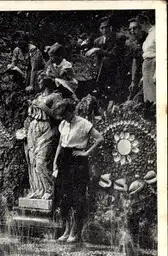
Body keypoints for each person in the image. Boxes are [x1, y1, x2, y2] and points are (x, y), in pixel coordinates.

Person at [52, 99, 104, 243]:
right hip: (64, 160)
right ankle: (67, 230)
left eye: (65, 115)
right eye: (61, 117)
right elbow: (60, 145)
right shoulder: (63, 124)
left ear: (70, 111)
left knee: (76, 197)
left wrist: (86, 153)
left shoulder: (83, 123)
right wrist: (54, 164)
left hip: (77, 162)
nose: (63, 119)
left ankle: (75, 232)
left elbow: (100, 138)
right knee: (63, 197)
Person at [25, 75, 63, 200]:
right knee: (33, 162)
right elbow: (31, 115)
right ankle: (37, 189)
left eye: (40, 81)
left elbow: (59, 116)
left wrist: (44, 108)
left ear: (46, 82)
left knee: (41, 162)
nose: (38, 83)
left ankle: (49, 189)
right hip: (33, 128)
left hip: (47, 129)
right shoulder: (38, 97)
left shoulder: (55, 96)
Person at [86, 17, 127, 100]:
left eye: (107, 27)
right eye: (102, 28)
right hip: (103, 71)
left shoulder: (119, 37)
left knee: (115, 94)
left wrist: (98, 50)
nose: (105, 30)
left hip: (116, 70)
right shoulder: (97, 41)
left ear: (111, 27)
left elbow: (115, 54)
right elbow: (98, 59)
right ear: (99, 29)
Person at [126, 18, 148, 100]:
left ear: (140, 28)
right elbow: (135, 61)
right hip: (140, 73)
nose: (132, 31)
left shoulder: (149, 39)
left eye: (134, 28)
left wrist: (145, 76)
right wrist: (133, 81)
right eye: (130, 29)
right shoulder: (132, 42)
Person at [137, 14, 156, 104]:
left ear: (145, 22)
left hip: (154, 65)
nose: (141, 28)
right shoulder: (149, 34)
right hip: (147, 67)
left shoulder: (156, 32)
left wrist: (156, 73)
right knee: (148, 96)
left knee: (153, 95)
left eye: (140, 25)